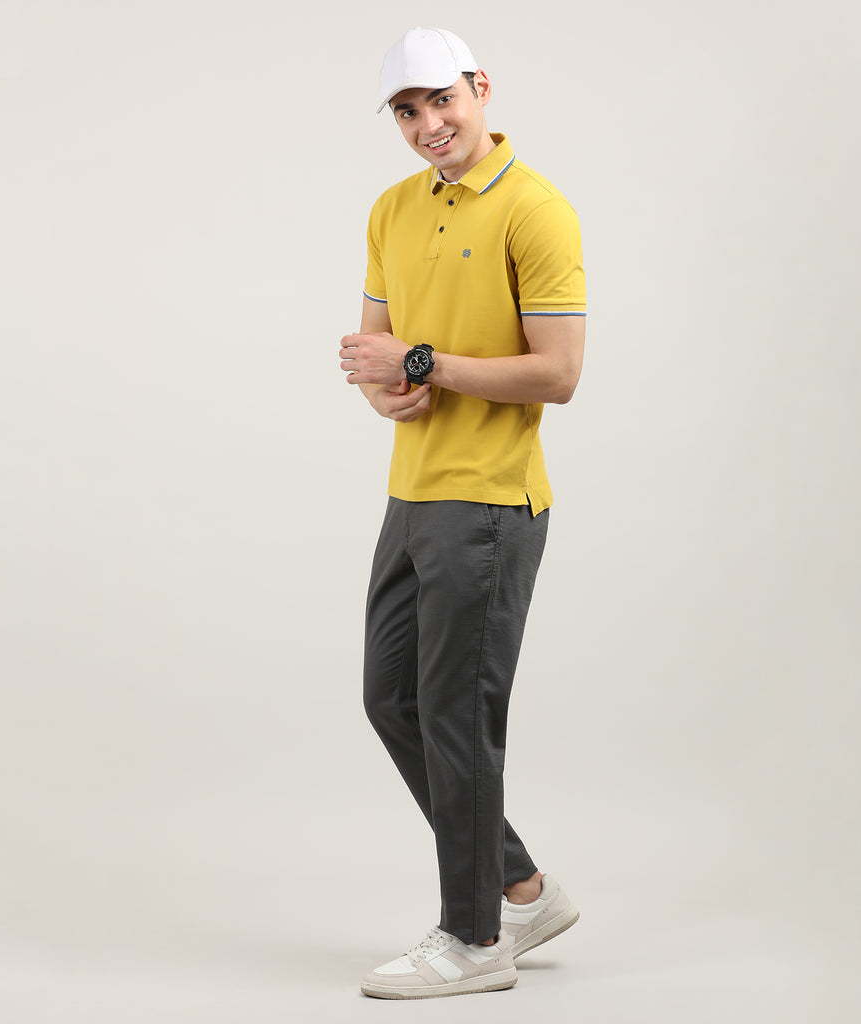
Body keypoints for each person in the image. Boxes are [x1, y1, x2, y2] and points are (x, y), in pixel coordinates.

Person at [339, 27, 586, 1000]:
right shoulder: (392, 209)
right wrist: (387, 388)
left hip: (487, 501)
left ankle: (475, 937)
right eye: (406, 110)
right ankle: (521, 890)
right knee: (392, 699)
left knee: (455, 713)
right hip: (412, 492)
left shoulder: (536, 209)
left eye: (441, 99)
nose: (427, 124)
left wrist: (422, 365)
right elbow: (376, 353)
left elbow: (558, 373)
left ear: (480, 87)